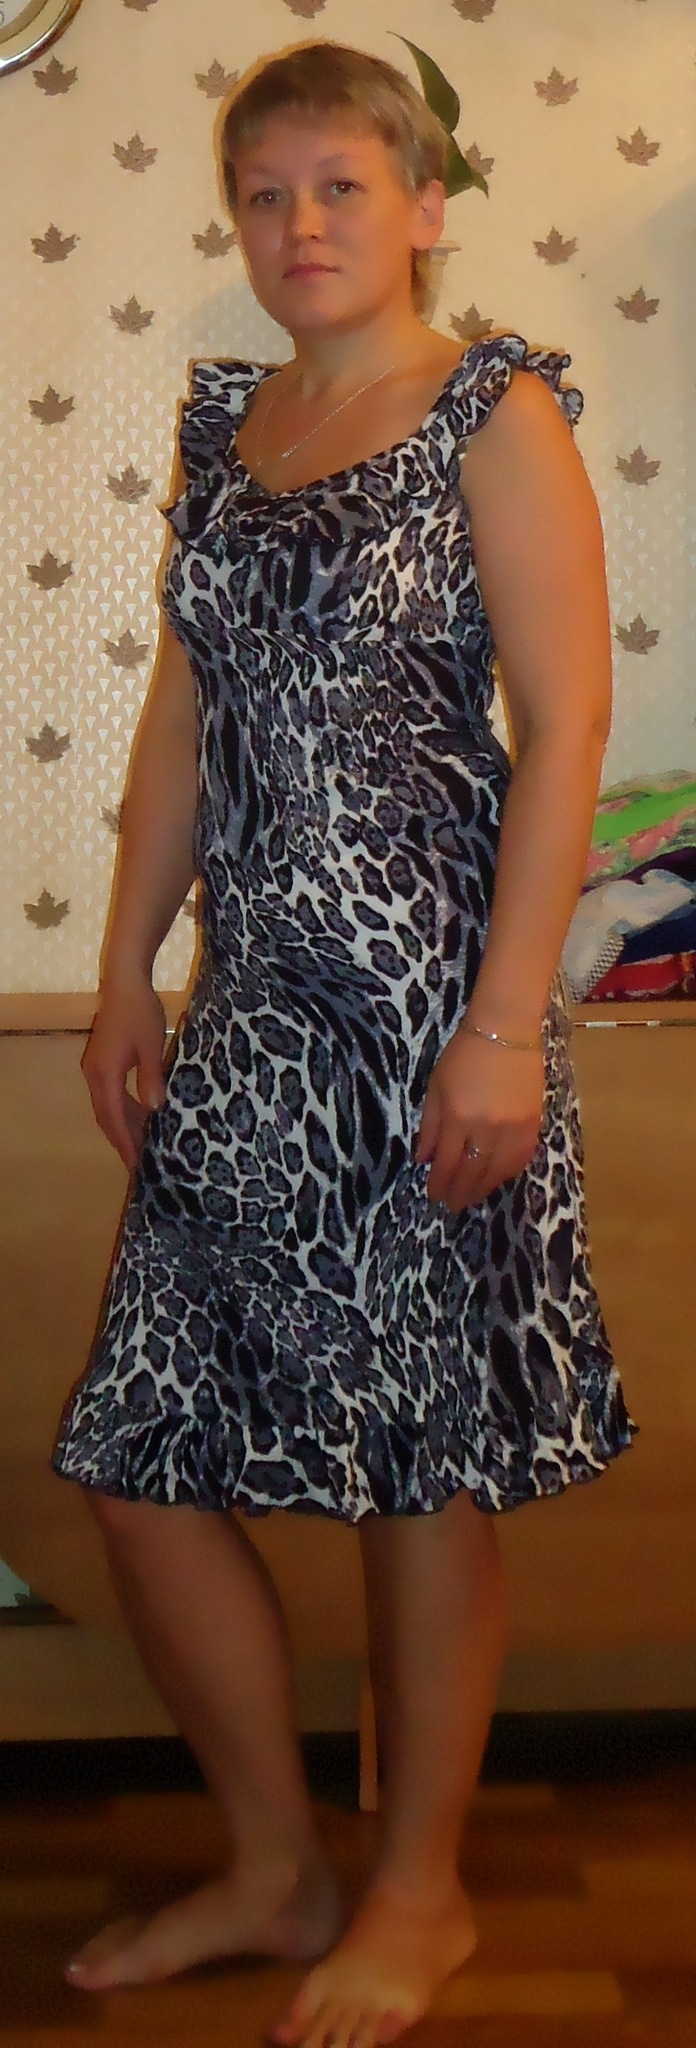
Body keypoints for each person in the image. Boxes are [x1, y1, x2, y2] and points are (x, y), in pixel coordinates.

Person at [51, 37, 638, 2048]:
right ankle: (275, 1861)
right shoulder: (230, 428)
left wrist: (505, 1027)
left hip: (428, 1018)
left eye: (338, 186)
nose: (297, 224)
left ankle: (418, 1889)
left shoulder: (495, 407)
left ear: (421, 205)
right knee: (137, 1453)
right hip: (252, 1015)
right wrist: (124, 970)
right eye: (263, 193)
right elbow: (181, 718)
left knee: (417, 1466)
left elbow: (568, 723)